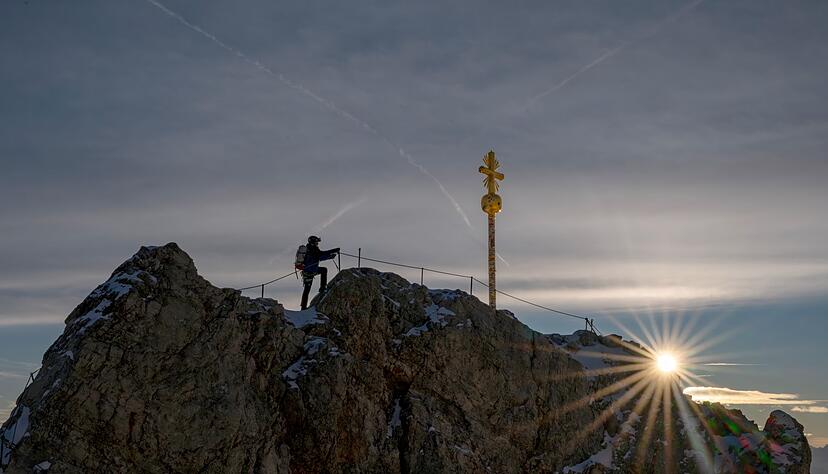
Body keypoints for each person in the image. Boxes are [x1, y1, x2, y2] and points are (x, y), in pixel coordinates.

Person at [298, 235, 339, 310]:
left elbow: (321, 254)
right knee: (323, 271)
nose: (317, 243)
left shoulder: (310, 249)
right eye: (316, 242)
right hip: (311, 271)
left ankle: (303, 307)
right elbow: (321, 256)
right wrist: (331, 254)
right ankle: (323, 288)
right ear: (313, 242)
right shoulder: (313, 250)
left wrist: (333, 251)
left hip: (308, 271)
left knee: (306, 290)